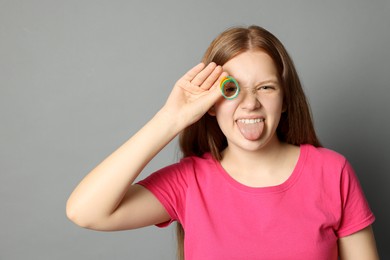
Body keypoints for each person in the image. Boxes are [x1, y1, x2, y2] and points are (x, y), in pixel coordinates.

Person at [66, 25, 379, 259]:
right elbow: (85, 211)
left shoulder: (331, 171)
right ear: (211, 105)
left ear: (284, 99)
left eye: (266, 87)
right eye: (232, 90)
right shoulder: (189, 182)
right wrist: (171, 118)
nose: (250, 103)